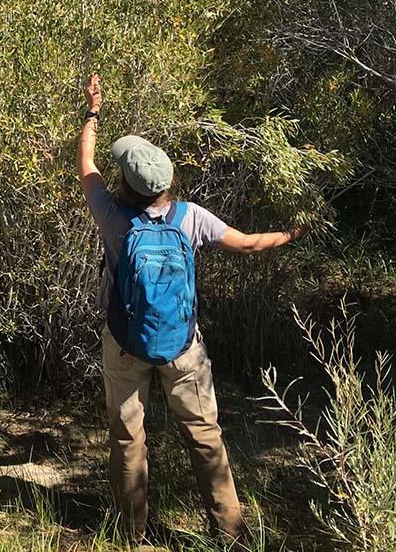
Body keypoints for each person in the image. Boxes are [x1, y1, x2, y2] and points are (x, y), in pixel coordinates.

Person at [76, 73, 304, 541]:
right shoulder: (190, 217)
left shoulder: (113, 216)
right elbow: (245, 245)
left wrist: (93, 111)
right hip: (183, 346)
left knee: (127, 440)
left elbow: (86, 164)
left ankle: (129, 533)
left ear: (127, 184)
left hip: (125, 345)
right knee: (205, 436)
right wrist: (291, 234)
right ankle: (230, 532)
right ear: (167, 182)